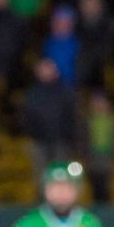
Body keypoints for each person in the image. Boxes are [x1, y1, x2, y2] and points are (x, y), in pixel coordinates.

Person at [23, 57, 77, 186]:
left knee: (61, 176)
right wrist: (33, 133)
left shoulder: (65, 91)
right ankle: (42, 198)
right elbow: (28, 116)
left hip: (61, 140)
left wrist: (69, 136)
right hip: (40, 141)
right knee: (41, 176)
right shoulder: (33, 93)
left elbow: (71, 115)